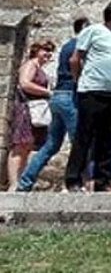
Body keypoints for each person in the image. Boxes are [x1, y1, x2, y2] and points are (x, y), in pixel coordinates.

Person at [64, 0, 111, 192]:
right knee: (85, 135)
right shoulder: (93, 31)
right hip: (92, 90)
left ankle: (102, 180)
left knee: (107, 138)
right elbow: (75, 59)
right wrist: (79, 80)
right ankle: (73, 179)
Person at [18, 18, 88, 191]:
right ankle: (77, 183)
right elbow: (75, 63)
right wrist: (80, 81)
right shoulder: (80, 46)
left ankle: (25, 182)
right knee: (79, 142)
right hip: (70, 96)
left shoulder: (67, 46)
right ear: (84, 29)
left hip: (58, 97)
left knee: (51, 145)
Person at [7, 40, 55, 190]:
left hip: (34, 110)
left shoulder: (38, 67)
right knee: (20, 146)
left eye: (50, 50)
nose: (48, 53)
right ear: (36, 50)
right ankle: (14, 184)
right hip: (26, 109)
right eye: (45, 49)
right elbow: (25, 83)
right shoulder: (31, 65)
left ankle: (19, 181)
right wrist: (48, 92)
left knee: (27, 147)